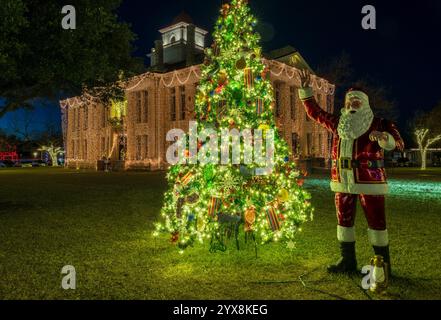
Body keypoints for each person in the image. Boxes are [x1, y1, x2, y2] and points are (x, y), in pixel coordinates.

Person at [297, 69, 404, 274]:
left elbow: (397, 143)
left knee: (376, 223)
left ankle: (382, 265)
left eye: (355, 102)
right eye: (348, 102)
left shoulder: (380, 123)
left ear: (364, 104)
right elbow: (316, 113)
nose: (350, 106)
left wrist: (384, 137)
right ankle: (348, 261)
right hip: (342, 181)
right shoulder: (339, 123)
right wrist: (306, 91)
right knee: (344, 221)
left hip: (370, 182)